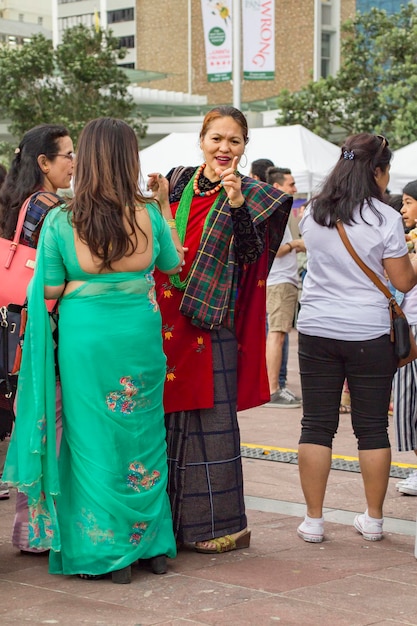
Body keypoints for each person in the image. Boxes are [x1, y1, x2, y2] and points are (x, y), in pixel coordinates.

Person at [4, 117, 183, 582]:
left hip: (87, 340)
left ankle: (108, 553)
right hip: (139, 338)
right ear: (130, 159)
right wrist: (164, 208)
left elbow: (51, 285)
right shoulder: (145, 213)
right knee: (143, 438)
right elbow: (171, 263)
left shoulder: (64, 219)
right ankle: (152, 546)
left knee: (91, 442)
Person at [150, 106, 292, 554]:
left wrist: (236, 206)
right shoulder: (176, 180)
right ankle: (166, 524)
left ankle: (217, 527)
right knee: (165, 419)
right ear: (201, 140)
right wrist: (156, 202)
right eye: (216, 139)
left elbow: (253, 260)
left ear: (245, 146)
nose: (224, 148)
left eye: (234, 141)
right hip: (164, 319)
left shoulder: (255, 195)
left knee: (213, 424)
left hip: (213, 319)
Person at [296, 133, 417, 544]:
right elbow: (403, 280)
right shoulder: (385, 219)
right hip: (368, 331)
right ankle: (374, 519)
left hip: (315, 328)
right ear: (378, 171)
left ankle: (313, 521)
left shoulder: (312, 212)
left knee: (315, 425)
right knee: (370, 428)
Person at [0, 124, 73, 514]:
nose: (74, 164)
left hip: (17, 323)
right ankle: (45, 524)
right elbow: (60, 274)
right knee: (53, 415)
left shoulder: (14, 200)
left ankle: (28, 523)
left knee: (31, 415)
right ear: (44, 162)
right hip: (45, 324)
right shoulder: (49, 207)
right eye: (68, 155)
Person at [264, 166, 304, 408]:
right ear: (277, 187)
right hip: (279, 282)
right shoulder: (274, 213)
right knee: (276, 335)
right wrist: (297, 244)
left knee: (277, 334)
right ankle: (272, 389)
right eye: (291, 184)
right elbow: (275, 249)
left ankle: (274, 387)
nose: (295, 189)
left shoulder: (278, 211)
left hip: (281, 282)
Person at [393, 180, 417, 495]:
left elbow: (405, 279)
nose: (403, 208)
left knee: (409, 404)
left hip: (413, 327)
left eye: (409, 201)